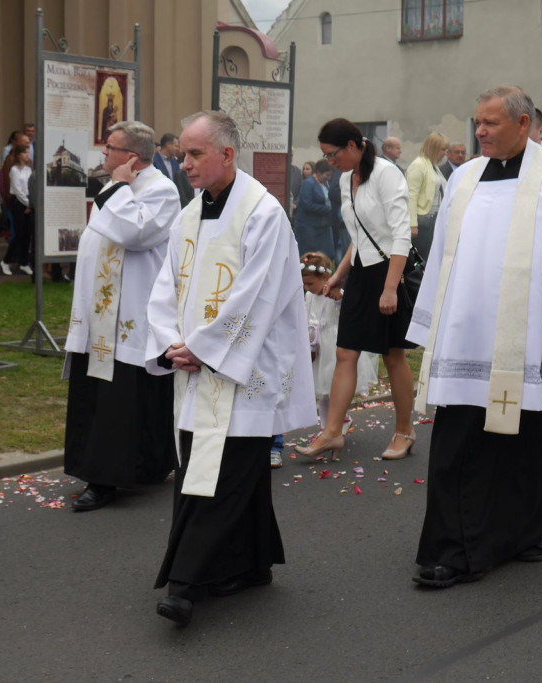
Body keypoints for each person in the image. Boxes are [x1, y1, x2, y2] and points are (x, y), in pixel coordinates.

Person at [409, 86, 542, 588]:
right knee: (461, 443)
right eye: (476, 123)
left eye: (490, 123)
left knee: (534, 445)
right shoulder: (463, 177)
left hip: (536, 341)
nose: (479, 132)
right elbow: (443, 258)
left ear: (524, 125)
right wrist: (432, 324)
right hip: (466, 339)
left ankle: (529, 532)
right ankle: (454, 549)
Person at [146, 110, 316, 626]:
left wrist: (207, 348)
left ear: (227, 154)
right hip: (200, 362)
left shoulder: (262, 213)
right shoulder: (189, 214)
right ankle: (250, 562)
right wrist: (173, 342)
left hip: (245, 363)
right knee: (223, 467)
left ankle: (188, 581)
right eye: (183, 155)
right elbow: (166, 287)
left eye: (196, 155)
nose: (186, 164)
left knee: (222, 473)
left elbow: (257, 297)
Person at [63, 121, 180, 512]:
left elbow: (134, 234)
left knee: (125, 399)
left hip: (129, 315)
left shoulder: (161, 190)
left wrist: (116, 186)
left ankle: (107, 478)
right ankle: (124, 466)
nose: (104, 155)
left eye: (110, 148)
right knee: (102, 395)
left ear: (130, 157)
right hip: (100, 314)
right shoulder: (119, 189)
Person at [296, 118, 416, 462]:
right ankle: (332, 432)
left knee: (393, 355)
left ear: (352, 145)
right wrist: (338, 276)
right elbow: (358, 236)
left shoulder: (386, 174)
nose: (330, 163)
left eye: (333, 155)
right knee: (346, 351)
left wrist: (390, 288)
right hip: (362, 273)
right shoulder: (347, 179)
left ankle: (404, 430)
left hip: (390, 270)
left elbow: (400, 235)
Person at [301, 251, 378, 443]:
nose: (307, 288)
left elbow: (346, 309)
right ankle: (326, 428)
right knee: (323, 392)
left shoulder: (335, 295)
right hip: (316, 348)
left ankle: (338, 422)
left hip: (333, 347)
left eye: (310, 283)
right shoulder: (309, 297)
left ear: (326, 277)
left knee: (331, 389)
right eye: (304, 284)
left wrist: (339, 298)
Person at [406, 132, 448, 259]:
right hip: (423, 222)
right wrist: (413, 224)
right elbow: (411, 196)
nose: (445, 153)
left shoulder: (433, 165)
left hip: (434, 220)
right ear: (433, 148)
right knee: (424, 259)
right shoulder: (418, 165)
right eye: (443, 149)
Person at [0, 144, 34, 277]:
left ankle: (24, 262)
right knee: (19, 234)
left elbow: (29, 187)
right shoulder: (14, 170)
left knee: (27, 234)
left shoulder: (28, 169)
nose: (27, 155)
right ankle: (6, 261)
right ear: (19, 155)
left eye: (28, 153)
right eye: (25, 153)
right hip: (18, 203)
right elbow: (18, 190)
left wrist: (30, 204)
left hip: (28, 203)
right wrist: (27, 203)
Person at [293, 159, 334, 259]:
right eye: (327, 175)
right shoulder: (308, 184)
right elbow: (307, 204)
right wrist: (327, 209)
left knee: (327, 255)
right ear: (319, 173)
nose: (328, 178)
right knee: (310, 256)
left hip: (323, 226)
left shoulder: (324, 184)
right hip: (309, 226)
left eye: (330, 176)